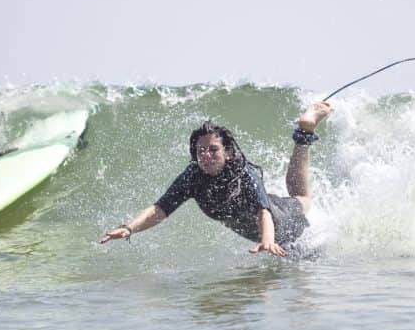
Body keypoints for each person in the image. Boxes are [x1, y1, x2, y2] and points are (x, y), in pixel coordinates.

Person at [100, 101, 332, 257]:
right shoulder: (193, 177)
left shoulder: (246, 174)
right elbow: (160, 209)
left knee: (301, 199)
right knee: (298, 198)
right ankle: (304, 133)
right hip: (269, 234)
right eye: (201, 151)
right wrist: (129, 228)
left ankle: (305, 132)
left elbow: (264, 212)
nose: (206, 155)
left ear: (228, 152)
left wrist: (268, 240)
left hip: (283, 223)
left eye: (213, 149)